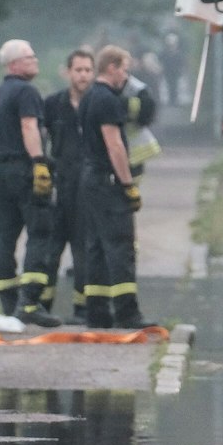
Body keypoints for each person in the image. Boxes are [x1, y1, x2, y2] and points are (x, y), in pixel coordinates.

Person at [0, 39, 62, 327]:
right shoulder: (27, 91)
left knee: (6, 237)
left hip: (0, 172)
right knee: (40, 232)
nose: (36, 61)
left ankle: (7, 302)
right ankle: (29, 302)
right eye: (30, 57)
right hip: (24, 169)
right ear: (14, 64)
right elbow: (29, 126)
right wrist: (40, 162)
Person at [78, 45, 151, 329]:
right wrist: (128, 184)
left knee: (96, 244)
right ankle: (127, 312)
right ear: (111, 67)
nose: (125, 76)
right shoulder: (108, 100)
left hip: (90, 178)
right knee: (121, 245)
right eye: (124, 69)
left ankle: (97, 311)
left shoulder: (88, 98)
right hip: (108, 181)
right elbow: (115, 145)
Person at [38, 48, 95, 322]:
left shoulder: (98, 103)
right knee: (51, 248)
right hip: (60, 182)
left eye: (87, 70)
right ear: (68, 72)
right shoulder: (53, 104)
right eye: (78, 70)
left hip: (87, 185)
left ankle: (82, 309)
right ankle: (43, 305)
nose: (83, 75)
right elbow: (40, 136)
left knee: (83, 249)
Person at [157, 31, 186, 107]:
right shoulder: (164, 52)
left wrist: (181, 69)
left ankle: (174, 100)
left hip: (175, 72)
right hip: (167, 71)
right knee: (169, 85)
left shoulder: (178, 53)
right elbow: (160, 59)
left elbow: (181, 62)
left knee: (175, 85)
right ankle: (171, 100)